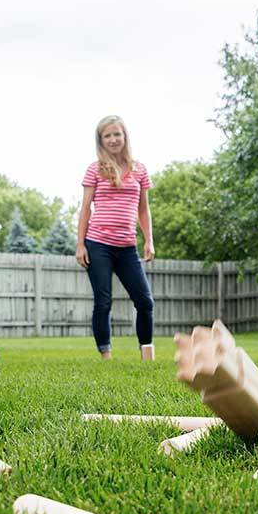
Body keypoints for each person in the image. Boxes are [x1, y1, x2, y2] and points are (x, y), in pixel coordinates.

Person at [75, 115, 155, 359]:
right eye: (107, 136)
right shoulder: (95, 169)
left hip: (127, 246)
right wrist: (80, 244)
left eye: (116, 134)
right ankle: (106, 355)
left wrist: (149, 239)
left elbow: (143, 208)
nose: (113, 139)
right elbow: (86, 207)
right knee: (103, 301)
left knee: (145, 301)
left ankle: (146, 352)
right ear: (101, 141)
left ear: (125, 136)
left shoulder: (139, 170)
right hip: (98, 243)